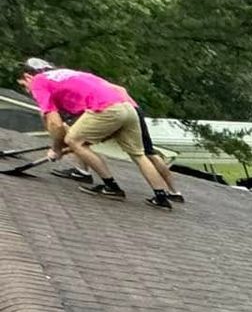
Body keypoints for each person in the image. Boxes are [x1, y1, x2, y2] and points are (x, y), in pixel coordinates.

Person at [20, 57, 172, 209]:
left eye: (23, 84)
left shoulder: (38, 82)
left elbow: (55, 123)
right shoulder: (68, 73)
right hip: (127, 108)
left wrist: (56, 149)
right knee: (138, 155)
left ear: (28, 77)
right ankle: (161, 197)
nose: (26, 89)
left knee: (74, 140)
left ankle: (111, 187)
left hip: (105, 109)